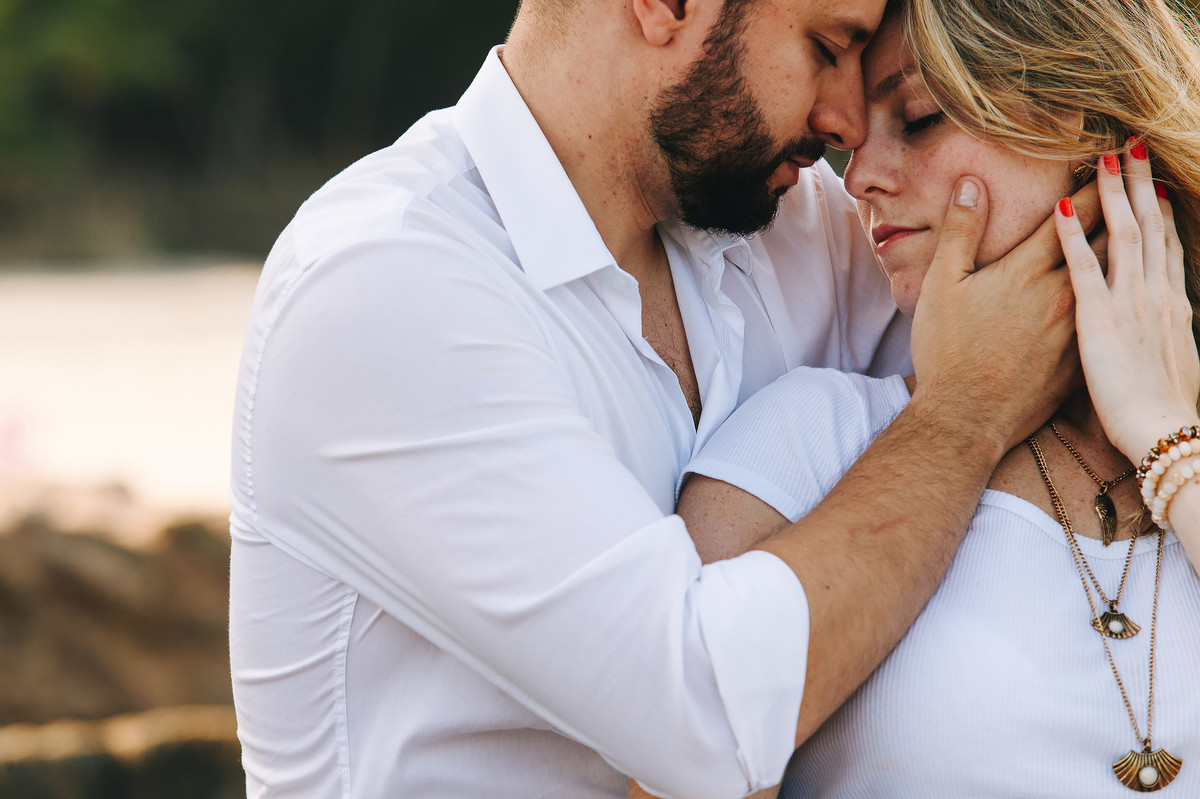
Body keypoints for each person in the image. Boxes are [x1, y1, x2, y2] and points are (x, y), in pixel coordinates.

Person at [226, 1, 1098, 797]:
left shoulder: (796, 231)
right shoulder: (384, 283)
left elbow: (1036, 328)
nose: (842, 121)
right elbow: (703, 720)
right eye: (826, 47)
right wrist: (963, 417)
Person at [673, 0, 1200, 795]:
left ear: (1087, 125)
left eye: (917, 117)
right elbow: (672, 754)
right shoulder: (808, 440)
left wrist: (1167, 438)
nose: (858, 179)